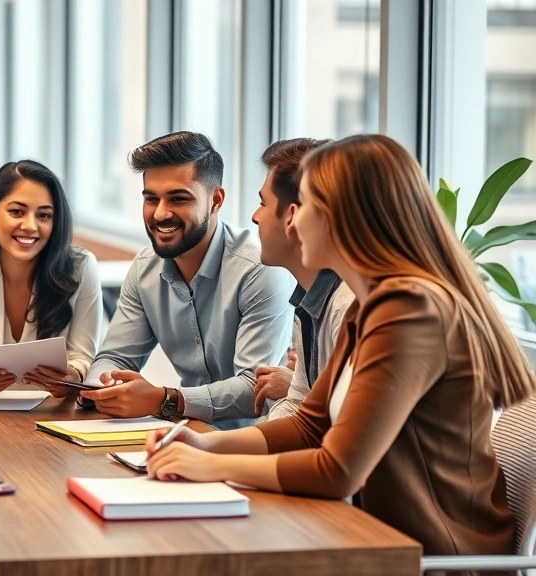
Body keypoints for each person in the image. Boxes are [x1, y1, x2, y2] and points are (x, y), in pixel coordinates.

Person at [145, 134, 532, 558]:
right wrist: (204, 444)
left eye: (305, 206)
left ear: (339, 216)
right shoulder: (370, 305)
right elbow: (309, 426)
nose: (294, 221)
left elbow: (338, 470)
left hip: (429, 558)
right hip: (373, 539)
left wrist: (210, 466)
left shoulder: (409, 308)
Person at [79, 131, 296, 426]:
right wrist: (100, 387)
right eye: (151, 199)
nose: (160, 213)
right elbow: (115, 357)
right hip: (183, 433)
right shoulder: (145, 268)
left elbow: (252, 390)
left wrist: (163, 399)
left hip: (258, 444)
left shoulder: (259, 270)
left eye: (178, 198)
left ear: (215, 200)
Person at [0, 160, 102, 400]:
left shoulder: (81, 268)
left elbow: (82, 357)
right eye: (16, 212)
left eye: (44, 215)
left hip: (54, 412)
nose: (30, 225)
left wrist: (74, 376)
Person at [248, 138, 355, 421]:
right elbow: (297, 405)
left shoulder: (349, 306)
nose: (255, 216)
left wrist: (215, 454)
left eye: (263, 203)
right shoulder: (310, 296)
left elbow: (335, 439)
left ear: (292, 216)